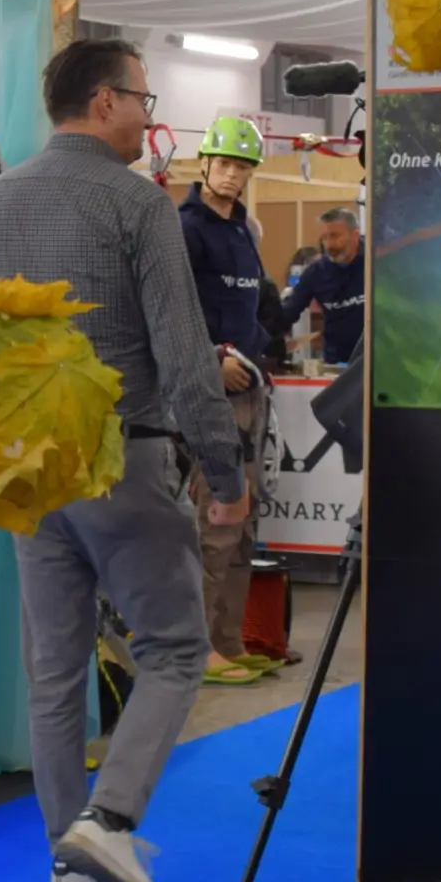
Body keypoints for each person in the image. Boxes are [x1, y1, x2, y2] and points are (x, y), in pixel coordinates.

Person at [0, 37, 248, 882]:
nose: (148, 117)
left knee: (55, 669)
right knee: (175, 648)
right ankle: (110, 820)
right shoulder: (137, 203)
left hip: (28, 466)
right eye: (143, 99)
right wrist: (226, 472)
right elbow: (185, 357)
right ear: (103, 101)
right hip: (121, 453)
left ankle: (66, 863)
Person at [176, 115, 283, 687]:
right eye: (226, 164)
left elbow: (250, 308)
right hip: (211, 390)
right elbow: (171, 309)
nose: (234, 176)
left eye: (244, 167)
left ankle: (229, 640)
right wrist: (209, 362)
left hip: (250, 387)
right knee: (216, 518)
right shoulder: (185, 228)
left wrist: (258, 359)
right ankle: (199, 649)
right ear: (205, 164)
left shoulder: (243, 231)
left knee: (243, 518)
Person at [287, 206, 367, 369]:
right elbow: (289, 311)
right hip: (337, 362)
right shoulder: (316, 273)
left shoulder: (377, 261)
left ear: (355, 235)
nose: (329, 245)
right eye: (325, 238)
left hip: (377, 359)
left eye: (335, 236)